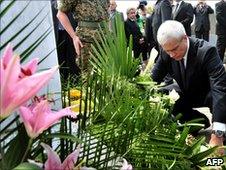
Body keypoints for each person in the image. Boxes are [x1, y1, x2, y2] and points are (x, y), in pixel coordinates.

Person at [151, 20, 226, 152]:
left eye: (174, 49)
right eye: (168, 51)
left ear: (185, 38)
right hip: (185, 91)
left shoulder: (207, 51)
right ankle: (198, 122)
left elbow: (219, 88)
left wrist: (217, 133)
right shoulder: (166, 53)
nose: (172, 55)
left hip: (209, 93)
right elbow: (152, 80)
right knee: (161, 94)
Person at [57, 0, 109, 71]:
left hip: (104, 38)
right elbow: (60, 14)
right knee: (88, 72)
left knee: (105, 72)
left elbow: (107, 17)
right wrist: (74, 37)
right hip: (86, 38)